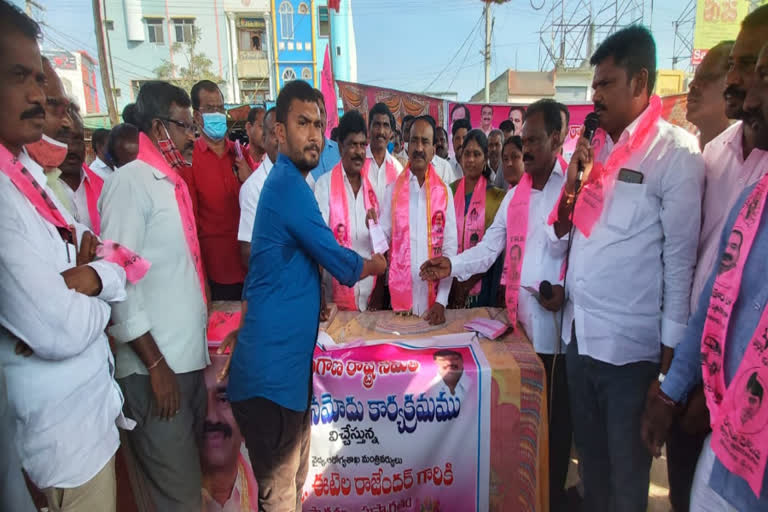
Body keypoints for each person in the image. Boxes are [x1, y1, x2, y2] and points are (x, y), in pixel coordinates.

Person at [548, 26, 704, 512]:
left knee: (626, 484)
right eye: (593, 86)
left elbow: (679, 267)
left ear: (640, 82)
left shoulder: (674, 153)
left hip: (630, 357)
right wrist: (574, 180)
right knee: (591, 472)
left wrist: (668, 370)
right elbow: (568, 233)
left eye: (605, 84)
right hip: (580, 338)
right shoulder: (597, 150)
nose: (595, 96)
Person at [221, 80, 386, 511]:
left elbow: (268, 272)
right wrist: (374, 265)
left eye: (318, 124)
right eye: (302, 123)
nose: (313, 134)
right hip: (270, 379)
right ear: (278, 130)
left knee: (292, 486)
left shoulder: (288, 182)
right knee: (280, 496)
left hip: (283, 375)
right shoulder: (289, 187)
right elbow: (338, 259)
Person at [0, 3, 129, 510]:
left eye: (40, 79)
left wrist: (88, 280)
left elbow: (115, 262)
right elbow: (56, 330)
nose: (37, 96)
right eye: (19, 77)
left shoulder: (26, 176)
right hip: (58, 447)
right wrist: (97, 295)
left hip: (89, 422)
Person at [422, 98, 571, 510]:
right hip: (519, 327)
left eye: (536, 140)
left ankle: (550, 497)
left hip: (557, 338)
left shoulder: (573, 187)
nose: (527, 150)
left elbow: (583, 252)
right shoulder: (516, 194)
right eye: (525, 141)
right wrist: (450, 264)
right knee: (524, 428)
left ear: (557, 139)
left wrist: (567, 290)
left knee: (555, 430)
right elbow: (489, 249)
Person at [641, 43, 768, 511]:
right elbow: (712, 282)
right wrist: (677, 383)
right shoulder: (708, 156)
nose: (748, 92)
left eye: (757, 73)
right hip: (700, 364)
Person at [99, 81, 209, 512]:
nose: (191, 137)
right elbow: (116, 282)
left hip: (182, 362)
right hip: (154, 372)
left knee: (184, 488)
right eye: (185, 126)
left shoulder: (167, 183)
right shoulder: (130, 183)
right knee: (177, 498)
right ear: (160, 128)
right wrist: (156, 365)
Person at [380, 115, 457, 325]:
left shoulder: (445, 193)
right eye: (414, 140)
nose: (419, 147)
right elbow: (381, 243)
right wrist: (371, 226)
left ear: (433, 149)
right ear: (406, 145)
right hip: (399, 306)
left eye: (425, 142)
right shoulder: (392, 191)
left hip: (434, 308)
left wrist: (441, 301)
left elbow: (450, 250)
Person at [183, 80, 249, 301]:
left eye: (220, 108)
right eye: (210, 108)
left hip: (250, 265)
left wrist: (248, 179)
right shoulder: (191, 160)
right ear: (196, 116)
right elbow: (191, 224)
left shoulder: (240, 154)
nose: (218, 114)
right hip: (217, 272)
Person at [316, 110, 384, 311]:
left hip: (369, 300)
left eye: (363, 145)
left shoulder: (372, 191)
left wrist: (379, 292)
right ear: (340, 147)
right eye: (353, 145)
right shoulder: (324, 186)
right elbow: (318, 245)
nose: (359, 152)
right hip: (334, 301)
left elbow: (380, 247)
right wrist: (318, 290)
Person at [448, 129, 505, 309]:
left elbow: (492, 249)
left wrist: (466, 283)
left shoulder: (497, 197)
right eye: (467, 154)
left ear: (486, 157)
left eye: (477, 154)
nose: (471, 160)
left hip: (481, 284)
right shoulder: (448, 191)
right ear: (460, 156)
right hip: (449, 280)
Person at [201, 352, 258, 511]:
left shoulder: (270, 483)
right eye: (199, 399)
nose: (211, 416)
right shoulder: (161, 492)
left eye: (224, 399)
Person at [57, 104, 104, 233]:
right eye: (63, 139)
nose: (72, 147)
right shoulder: (41, 188)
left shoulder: (102, 186)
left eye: (77, 138)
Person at [687, 41, 734, 150]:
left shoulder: (748, 159)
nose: (692, 85)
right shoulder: (681, 150)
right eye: (695, 78)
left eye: (705, 78)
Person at [365, 102, 403, 202]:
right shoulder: (358, 162)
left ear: (391, 133)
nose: (381, 131)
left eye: (385, 126)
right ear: (369, 129)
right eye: (377, 125)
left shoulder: (397, 169)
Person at [307, 88, 341, 184]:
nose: (318, 118)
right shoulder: (300, 157)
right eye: (314, 111)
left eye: (321, 111)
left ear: (326, 116)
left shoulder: (340, 151)